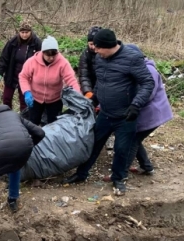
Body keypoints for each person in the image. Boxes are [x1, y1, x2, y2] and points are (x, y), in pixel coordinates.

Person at [64, 29, 155, 195]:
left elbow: (148, 83)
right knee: (93, 143)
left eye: (98, 48)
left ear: (107, 46)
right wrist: (94, 99)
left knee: (121, 149)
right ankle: (81, 173)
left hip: (126, 115)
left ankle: (118, 179)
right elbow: (101, 82)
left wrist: (136, 105)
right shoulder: (100, 58)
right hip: (105, 113)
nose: (95, 51)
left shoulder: (132, 58)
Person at [102, 44, 173, 180]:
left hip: (153, 114)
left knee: (132, 140)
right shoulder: (135, 69)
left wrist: (130, 104)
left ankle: (121, 174)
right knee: (136, 138)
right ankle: (146, 167)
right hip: (146, 114)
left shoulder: (149, 70)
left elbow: (148, 95)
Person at [0, 104, 45, 224]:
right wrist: (28, 145)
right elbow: (40, 133)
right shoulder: (15, 115)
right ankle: (13, 199)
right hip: (23, 148)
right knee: (14, 167)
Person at [19, 36, 81, 126]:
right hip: (35, 99)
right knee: (33, 124)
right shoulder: (32, 62)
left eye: (54, 54)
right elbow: (23, 76)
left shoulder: (62, 63)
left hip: (55, 100)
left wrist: (78, 95)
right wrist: (26, 92)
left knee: (54, 125)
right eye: (48, 55)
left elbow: (71, 79)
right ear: (42, 52)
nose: (51, 58)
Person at [0, 21, 43, 111]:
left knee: (24, 102)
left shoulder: (37, 43)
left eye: (26, 32)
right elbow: (4, 58)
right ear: (19, 32)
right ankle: (8, 118)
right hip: (12, 75)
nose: (24, 35)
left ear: (31, 32)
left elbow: (42, 61)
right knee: (6, 99)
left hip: (27, 77)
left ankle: (23, 120)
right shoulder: (12, 43)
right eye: (22, 32)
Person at [79, 26, 101, 98]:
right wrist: (87, 91)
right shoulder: (85, 55)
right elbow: (83, 75)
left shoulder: (105, 54)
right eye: (91, 44)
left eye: (95, 44)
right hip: (90, 86)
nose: (93, 47)